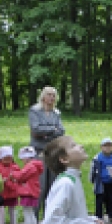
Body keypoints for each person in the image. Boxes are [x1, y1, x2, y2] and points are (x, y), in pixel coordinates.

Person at [30, 86, 66, 215]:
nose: (51, 97)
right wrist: (53, 130)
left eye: (53, 95)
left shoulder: (56, 113)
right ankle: (33, 218)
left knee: (52, 186)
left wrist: (46, 132)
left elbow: (61, 131)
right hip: (39, 151)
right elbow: (35, 129)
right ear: (43, 96)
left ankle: (49, 217)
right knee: (40, 185)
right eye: (49, 95)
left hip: (53, 152)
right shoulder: (35, 111)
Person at [90, 138, 112, 224]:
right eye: (105, 146)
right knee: (99, 201)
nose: (107, 148)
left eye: (109, 146)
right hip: (101, 183)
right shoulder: (98, 158)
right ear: (101, 147)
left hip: (111, 182)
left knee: (111, 200)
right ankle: (99, 217)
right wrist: (92, 179)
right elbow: (93, 169)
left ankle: (111, 215)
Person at [15, 146, 43, 224]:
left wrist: (13, 175)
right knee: (31, 213)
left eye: (22, 158)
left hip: (28, 192)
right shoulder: (35, 166)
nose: (22, 161)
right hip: (32, 191)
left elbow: (21, 176)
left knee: (27, 213)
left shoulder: (30, 167)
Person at [0, 146, 22, 224]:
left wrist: (12, 179)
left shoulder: (15, 167)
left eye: (9, 158)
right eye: (5, 159)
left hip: (12, 193)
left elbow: (18, 177)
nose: (7, 161)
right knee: (0, 212)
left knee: (12, 212)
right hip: (2, 193)